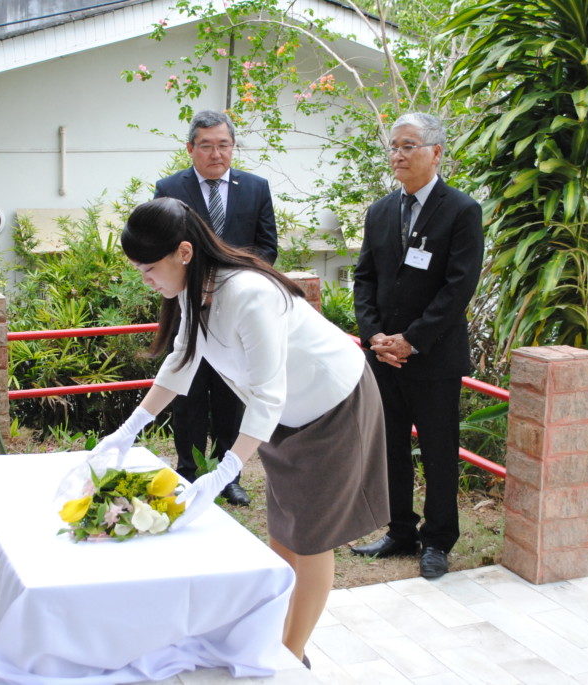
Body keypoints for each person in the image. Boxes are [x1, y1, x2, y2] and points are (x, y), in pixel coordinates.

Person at [94, 197, 388, 664]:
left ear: (184, 253)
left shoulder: (248, 293)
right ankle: (271, 633)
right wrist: (130, 428)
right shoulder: (194, 289)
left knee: (311, 537)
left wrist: (230, 465)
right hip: (284, 414)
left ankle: (291, 655)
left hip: (332, 405)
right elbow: (182, 360)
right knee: (283, 531)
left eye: (148, 268)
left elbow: (269, 392)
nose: (144, 279)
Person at [349, 112, 484, 580]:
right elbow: (364, 278)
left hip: (434, 357)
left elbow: (458, 287)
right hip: (384, 356)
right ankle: (400, 529)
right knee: (390, 449)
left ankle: (438, 539)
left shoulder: (461, 210)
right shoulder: (381, 210)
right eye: (394, 146)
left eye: (409, 145)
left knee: (438, 450)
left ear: (435, 153)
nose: (398, 155)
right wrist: (375, 337)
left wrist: (413, 340)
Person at [153, 110, 278, 506]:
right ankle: (187, 471)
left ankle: (230, 475)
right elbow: (162, 245)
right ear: (191, 149)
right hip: (189, 307)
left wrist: (228, 285)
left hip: (237, 311)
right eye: (206, 145)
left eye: (223, 145)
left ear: (232, 147)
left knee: (231, 393)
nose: (215, 153)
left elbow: (267, 247)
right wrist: (197, 283)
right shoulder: (169, 189)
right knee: (188, 392)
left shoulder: (255, 188)